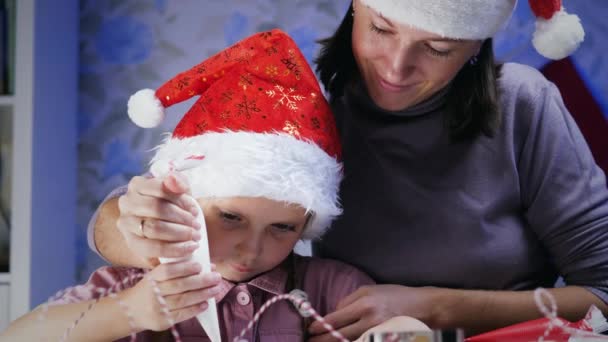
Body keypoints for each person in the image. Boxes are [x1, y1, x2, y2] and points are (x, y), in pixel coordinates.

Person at [87, 0, 608, 341]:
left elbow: (602, 291)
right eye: (380, 29)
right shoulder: (312, 112)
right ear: (355, 11)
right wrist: (130, 221)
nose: (395, 66)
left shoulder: (523, 103)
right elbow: (121, 225)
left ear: (475, 48)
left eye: (437, 47)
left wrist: (437, 308)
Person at [3, 30, 433, 342]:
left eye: (282, 228)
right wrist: (130, 311)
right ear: (185, 200)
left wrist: (404, 333)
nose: (251, 250)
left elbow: (398, 326)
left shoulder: (326, 287)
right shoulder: (137, 281)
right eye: (230, 217)